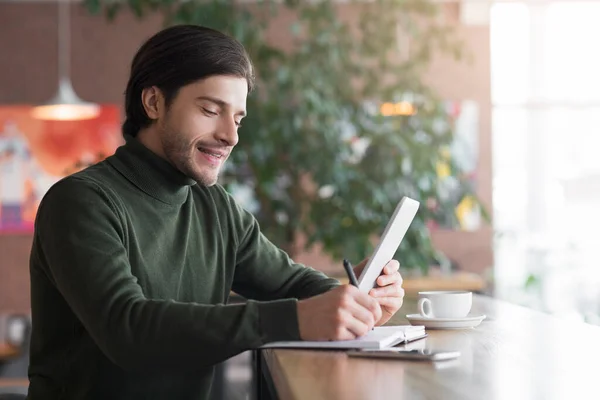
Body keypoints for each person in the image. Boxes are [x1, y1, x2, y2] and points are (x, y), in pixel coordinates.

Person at [27, 25, 405, 399]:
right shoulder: (81, 202)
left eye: (238, 119)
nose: (231, 135)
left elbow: (294, 286)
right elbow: (128, 331)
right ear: (154, 102)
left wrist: (360, 301)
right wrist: (296, 318)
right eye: (210, 110)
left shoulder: (216, 207)